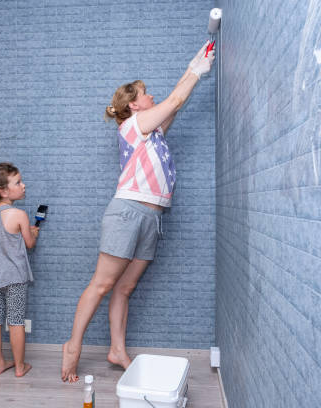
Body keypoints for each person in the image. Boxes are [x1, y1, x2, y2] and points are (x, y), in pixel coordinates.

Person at [61, 41, 215, 382]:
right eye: (146, 95)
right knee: (102, 284)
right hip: (128, 212)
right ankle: (72, 346)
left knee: (124, 288)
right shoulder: (133, 126)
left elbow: (176, 103)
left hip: (152, 217)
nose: (152, 98)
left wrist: (194, 68)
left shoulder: (154, 131)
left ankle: (117, 350)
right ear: (134, 105)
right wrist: (196, 69)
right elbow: (173, 100)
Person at [0, 162, 40, 377]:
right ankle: (20, 366)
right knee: (15, 321)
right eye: (18, 182)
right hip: (14, 276)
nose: (23, 186)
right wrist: (34, 232)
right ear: (3, 190)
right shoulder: (18, 214)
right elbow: (29, 243)